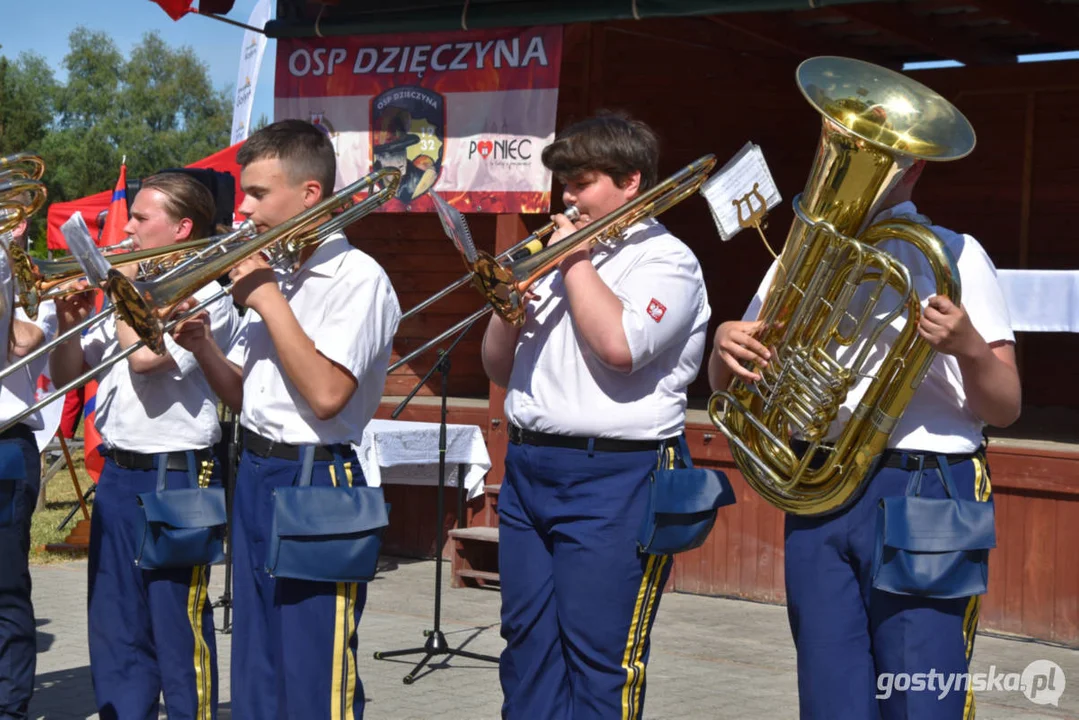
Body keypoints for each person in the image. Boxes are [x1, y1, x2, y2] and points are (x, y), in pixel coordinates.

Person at [708, 160, 1020, 720]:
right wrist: (723, 347)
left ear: (916, 165)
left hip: (924, 484)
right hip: (818, 485)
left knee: (921, 698)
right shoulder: (802, 256)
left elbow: (1006, 404)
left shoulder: (955, 253)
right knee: (831, 697)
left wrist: (971, 346)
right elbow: (729, 381)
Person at [481, 111, 711, 719]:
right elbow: (498, 369)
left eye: (581, 182)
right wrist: (507, 307)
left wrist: (574, 260)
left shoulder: (668, 260)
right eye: (564, 183)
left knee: (601, 656)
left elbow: (621, 347)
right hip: (531, 467)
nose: (567, 197)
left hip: (618, 476)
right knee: (526, 645)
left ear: (630, 181)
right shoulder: (560, 258)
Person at [171, 119, 400, 720]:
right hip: (257, 471)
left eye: (257, 194)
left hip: (318, 478)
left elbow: (327, 395)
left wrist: (268, 298)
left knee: (311, 664)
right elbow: (248, 397)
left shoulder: (358, 279)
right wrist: (203, 349)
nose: (242, 211)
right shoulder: (279, 272)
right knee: (255, 658)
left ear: (309, 196)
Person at [50, 172, 237, 720]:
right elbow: (67, 373)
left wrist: (122, 291)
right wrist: (70, 317)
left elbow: (144, 360)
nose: (125, 229)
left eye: (140, 218)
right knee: (115, 627)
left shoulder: (205, 293)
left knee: (177, 629)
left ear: (182, 229)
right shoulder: (125, 293)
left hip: (177, 475)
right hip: (119, 473)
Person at [0, 210, 57, 720]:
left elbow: (19, 342)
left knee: (4, 588)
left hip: (4, 445)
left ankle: (9, 709)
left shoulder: (38, 288)